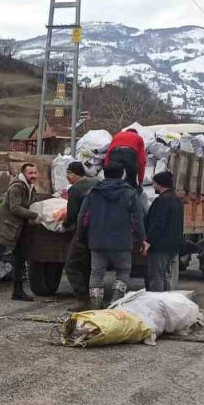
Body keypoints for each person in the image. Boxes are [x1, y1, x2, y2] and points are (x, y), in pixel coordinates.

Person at [81, 164, 147, 309]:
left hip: (97, 240)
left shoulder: (93, 192)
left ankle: (96, 307)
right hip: (122, 241)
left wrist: (82, 238)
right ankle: (114, 304)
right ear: (122, 174)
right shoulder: (130, 193)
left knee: (97, 273)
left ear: (104, 174)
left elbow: (83, 217)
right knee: (123, 271)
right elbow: (137, 218)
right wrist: (142, 239)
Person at [0, 163, 41, 302]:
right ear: (24, 174)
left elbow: (33, 203)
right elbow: (15, 208)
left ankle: (17, 291)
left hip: (19, 229)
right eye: (31, 173)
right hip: (7, 227)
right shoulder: (17, 187)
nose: (34, 176)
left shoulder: (30, 188)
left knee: (20, 258)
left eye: (35, 173)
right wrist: (34, 215)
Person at [62, 161, 98, 304]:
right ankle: (90, 292)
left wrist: (64, 225)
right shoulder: (96, 183)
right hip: (97, 230)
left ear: (76, 174)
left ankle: (82, 296)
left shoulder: (75, 189)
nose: (67, 177)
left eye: (69, 173)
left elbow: (72, 214)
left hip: (82, 232)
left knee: (71, 264)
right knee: (87, 264)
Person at [144, 171, 184, 292]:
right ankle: (166, 301)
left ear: (160, 184)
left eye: (155, 183)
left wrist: (148, 241)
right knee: (164, 276)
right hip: (173, 245)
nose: (153, 186)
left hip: (160, 246)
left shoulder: (162, 201)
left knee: (156, 277)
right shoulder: (177, 200)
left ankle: (157, 303)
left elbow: (158, 223)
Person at [105, 125, 147, 190]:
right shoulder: (138, 138)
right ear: (136, 133)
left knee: (113, 176)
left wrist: (107, 166)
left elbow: (108, 152)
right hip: (129, 153)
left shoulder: (117, 135)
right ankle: (131, 193)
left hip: (115, 152)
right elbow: (142, 161)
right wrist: (140, 181)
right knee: (131, 178)